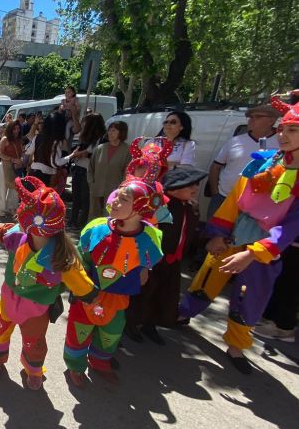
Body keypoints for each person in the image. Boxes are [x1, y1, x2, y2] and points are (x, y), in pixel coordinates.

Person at [178, 97, 299, 374]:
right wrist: (218, 233)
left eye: (292, 130)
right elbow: (234, 199)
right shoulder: (263, 161)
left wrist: (254, 252)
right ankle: (183, 313)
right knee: (207, 277)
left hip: (263, 246)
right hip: (232, 234)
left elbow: (292, 224)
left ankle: (236, 345)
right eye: (282, 129)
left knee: (250, 296)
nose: (283, 135)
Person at [0, 177, 97, 389]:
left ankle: (34, 369)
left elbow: (79, 280)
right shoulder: (17, 234)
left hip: (36, 309)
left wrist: (91, 297)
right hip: (8, 299)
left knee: (34, 343)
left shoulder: (61, 256)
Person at [63, 177, 165, 386]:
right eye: (116, 195)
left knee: (110, 335)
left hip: (118, 300)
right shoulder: (96, 228)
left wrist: (144, 269)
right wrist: (77, 289)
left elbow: (147, 266)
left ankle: (100, 363)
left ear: (139, 208)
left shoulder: (150, 237)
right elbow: (81, 261)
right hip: (87, 296)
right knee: (78, 333)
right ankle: (75, 366)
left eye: (123, 199)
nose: (114, 201)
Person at [125, 166, 207, 344]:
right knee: (143, 292)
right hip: (154, 259)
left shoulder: (191, 207)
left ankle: (150, 324)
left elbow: (191, 232)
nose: (195, 189)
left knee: (164, 294)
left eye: (197, 185)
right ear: (175, 187)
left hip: (174, 260)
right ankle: (130, 324)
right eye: (191, 185)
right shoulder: (161, 204)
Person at [207, 103, 280, 219]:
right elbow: (215, 167)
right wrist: (215, 193)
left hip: (259, 203)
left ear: (271, 121)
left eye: (258, 117)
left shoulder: (281, 142)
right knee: (215, 234)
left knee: (245, 236)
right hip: (224, 197)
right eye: (250, 117)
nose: (252, 120)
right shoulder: (235, 141)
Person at [87, 120, 130, 221]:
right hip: (96, 188)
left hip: (115, 191)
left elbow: (128, 171)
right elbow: (90, 168)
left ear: (121, 132)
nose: (110, 133)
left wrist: (122, 188)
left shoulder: (127, 150)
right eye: (109, 130)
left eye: (113, 130)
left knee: (110, 216)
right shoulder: (100, 148)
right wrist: (91, 183)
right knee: (94, 216)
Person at [69, 113, 106, 229]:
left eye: (86, 122)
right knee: (76, 198)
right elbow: (80, 151)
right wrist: (76, 154)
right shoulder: (86, 137)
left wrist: (75, 154)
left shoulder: (100, 139)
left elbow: (88, 153)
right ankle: (73, 221)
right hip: (78, 169)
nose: (83, 124)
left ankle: (81, 223)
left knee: (85, 199)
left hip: (87, 171)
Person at [0, 120, 24, 218]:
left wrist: (20, 160)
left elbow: (21, 152)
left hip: (15, 167)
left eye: (18, 128)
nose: (16, 130)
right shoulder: (5, 139)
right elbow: (0, 153)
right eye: (14, 128)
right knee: (2, 187)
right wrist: (12, 159)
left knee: (15, 188)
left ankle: (12, 208)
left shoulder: (19, 140)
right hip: (5, 166)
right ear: (11, 129)